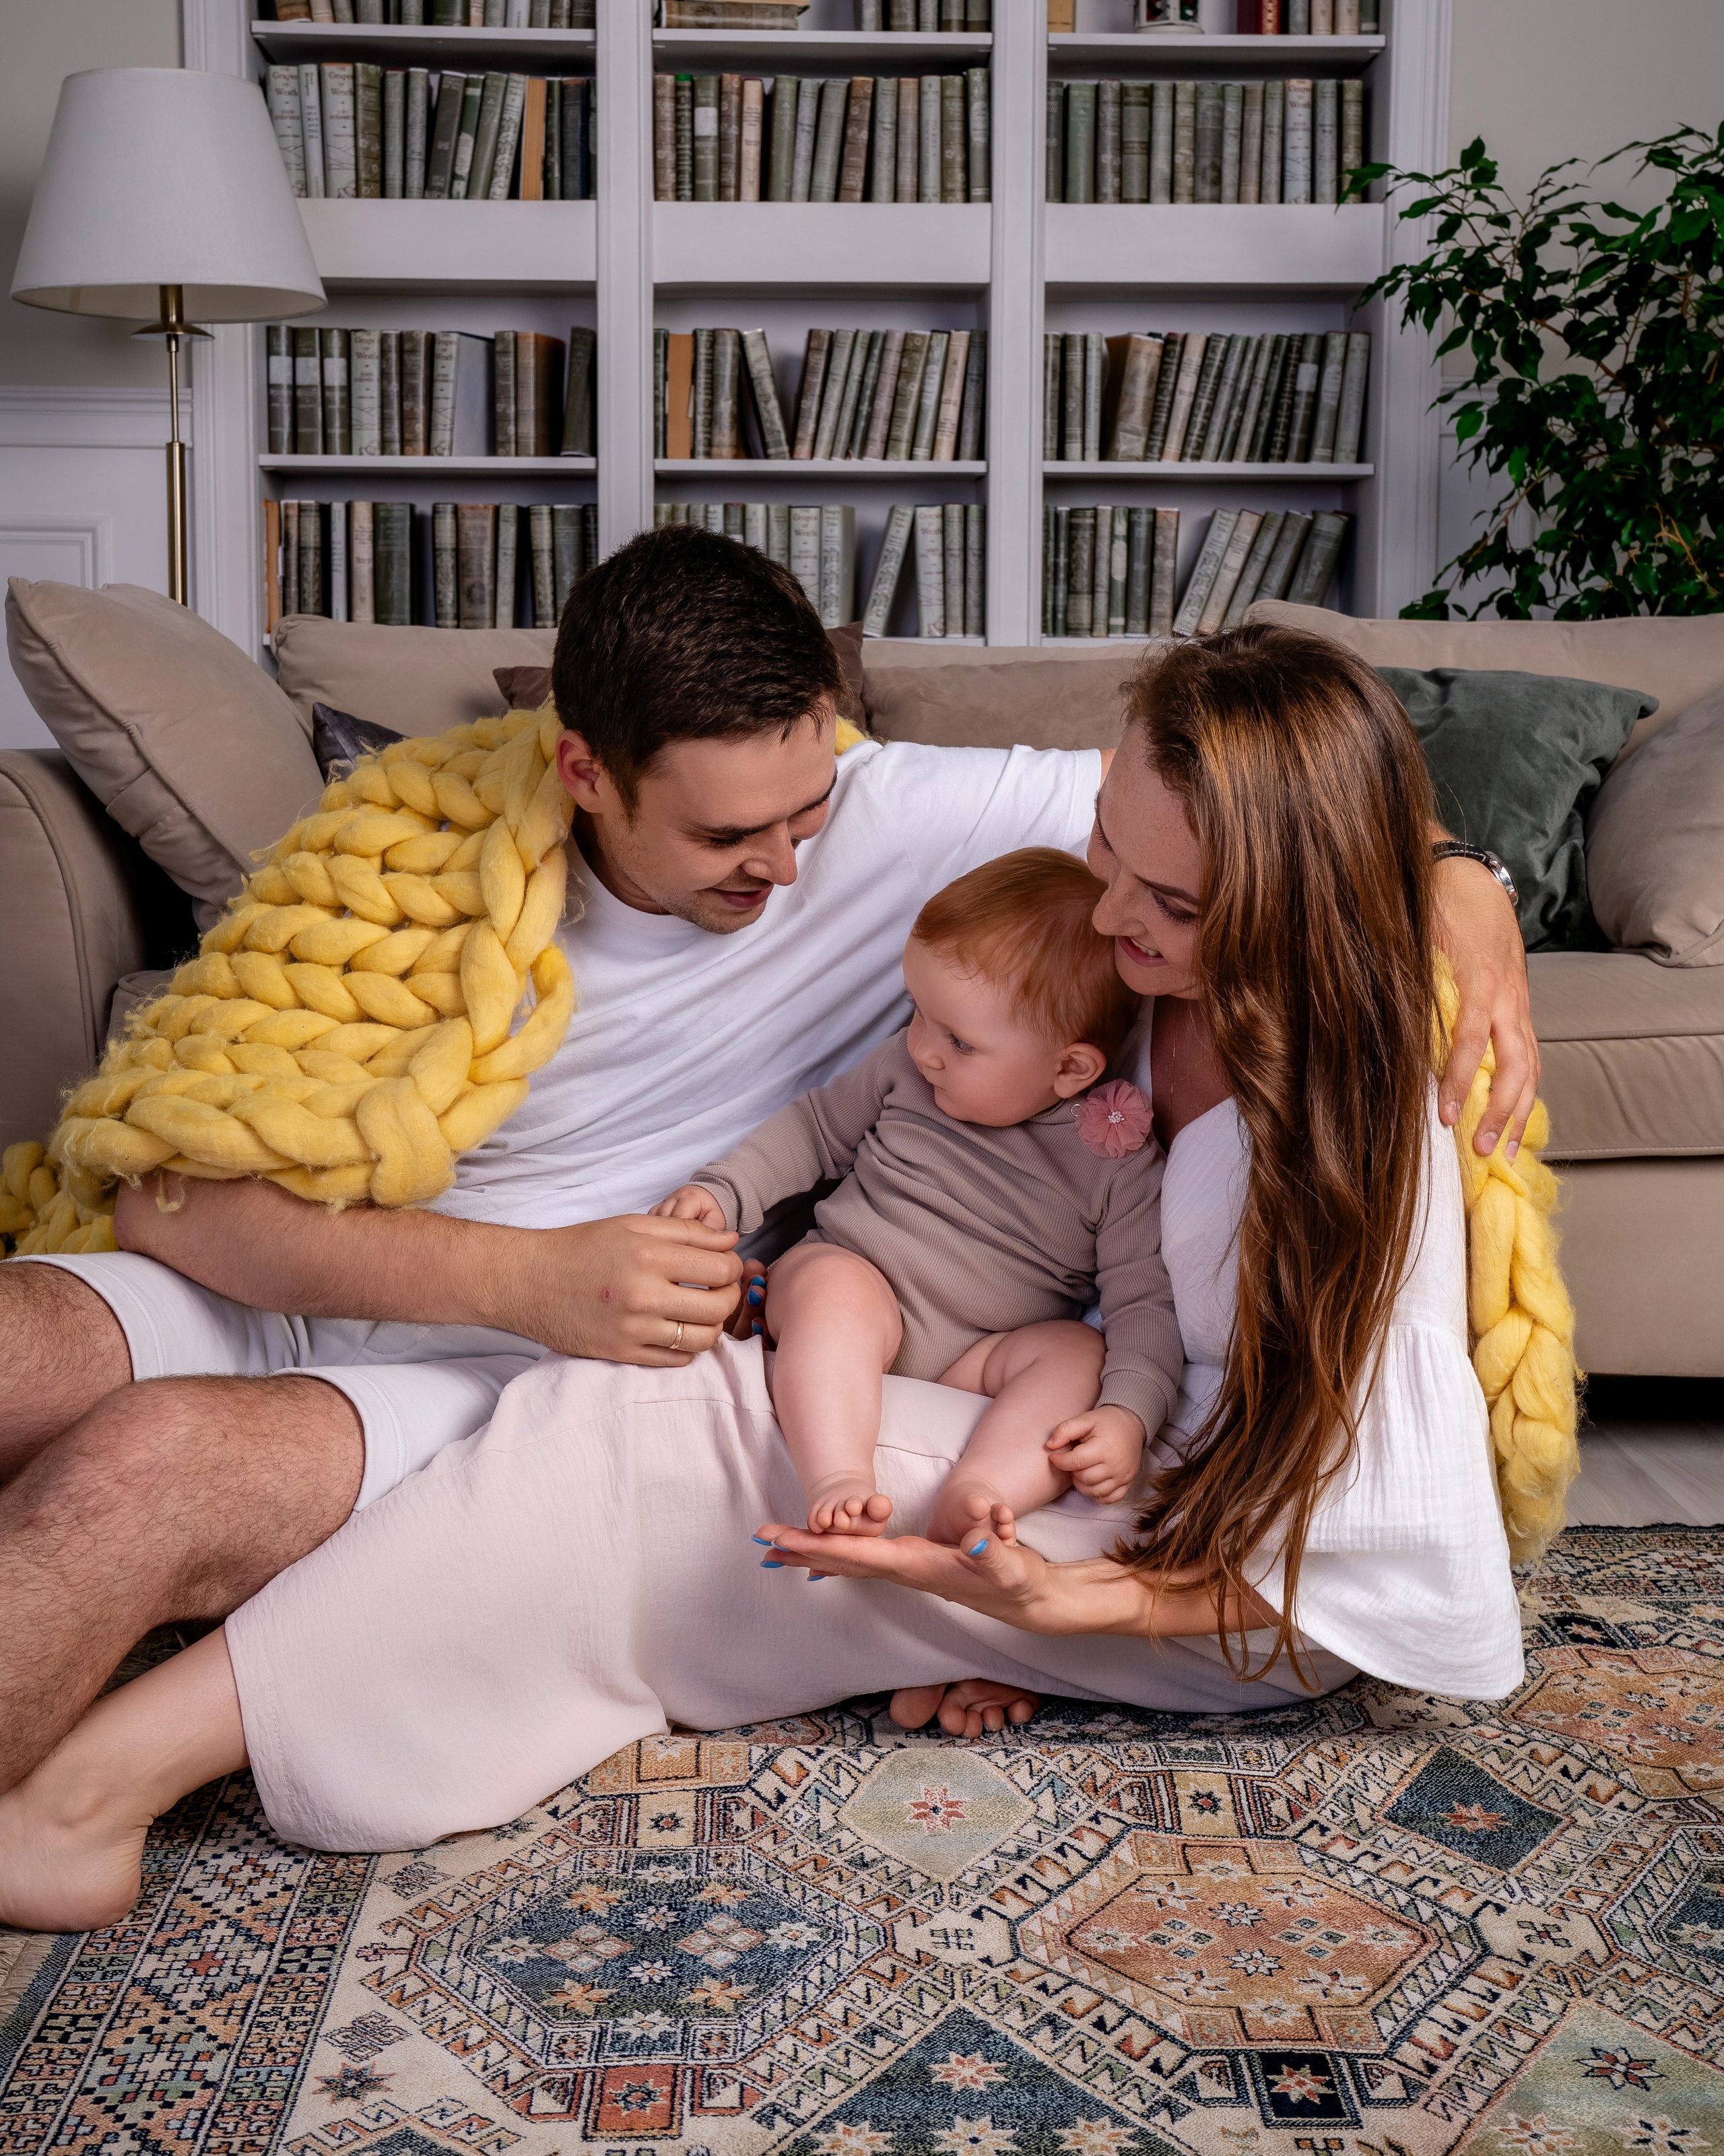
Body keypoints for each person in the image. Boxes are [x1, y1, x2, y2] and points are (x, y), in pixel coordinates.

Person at [0, 626, 1531, 1932]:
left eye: (1169, 901)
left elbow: (1391, 1573)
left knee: (638, 1429)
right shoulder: (1144, 945)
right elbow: (1325, 820)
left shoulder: (1349, 1104)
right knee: (689, 1425)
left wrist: (1083, 1608)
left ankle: (96, 1788)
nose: (1107, 912)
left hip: (1199, 1572)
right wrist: (1454, 871)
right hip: (1082, 1460)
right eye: (1103, 854)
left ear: (1286, 899)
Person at [657, 849, 1179, 1542]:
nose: (923, 1046)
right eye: (918, 1013)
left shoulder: (1117, 1163)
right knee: (835, 1289)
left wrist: (1128, 1414)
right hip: (858, 1279)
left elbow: (1143, 1302)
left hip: (978, 1354)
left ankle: (984, 1490)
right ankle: (839, 1476)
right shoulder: (905, 1070)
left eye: (959, 1041)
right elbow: (811, 1132)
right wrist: (722, 1193)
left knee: (1076, 1352)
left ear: (1069, 1068)